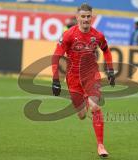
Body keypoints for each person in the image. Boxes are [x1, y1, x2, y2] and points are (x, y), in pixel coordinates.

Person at [51, 3, 115, 158]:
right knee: (81, 115)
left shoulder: (97, 35)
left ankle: (101, 145)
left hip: (91, 75)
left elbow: (106, 51)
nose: (86, 20)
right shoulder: (68, 35)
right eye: (83, 17)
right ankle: (84, 100)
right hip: (73, 78)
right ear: (77, 17)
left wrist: (111, 70)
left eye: (89, 17)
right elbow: (56, 56)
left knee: (95, 106)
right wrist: (55, 80)